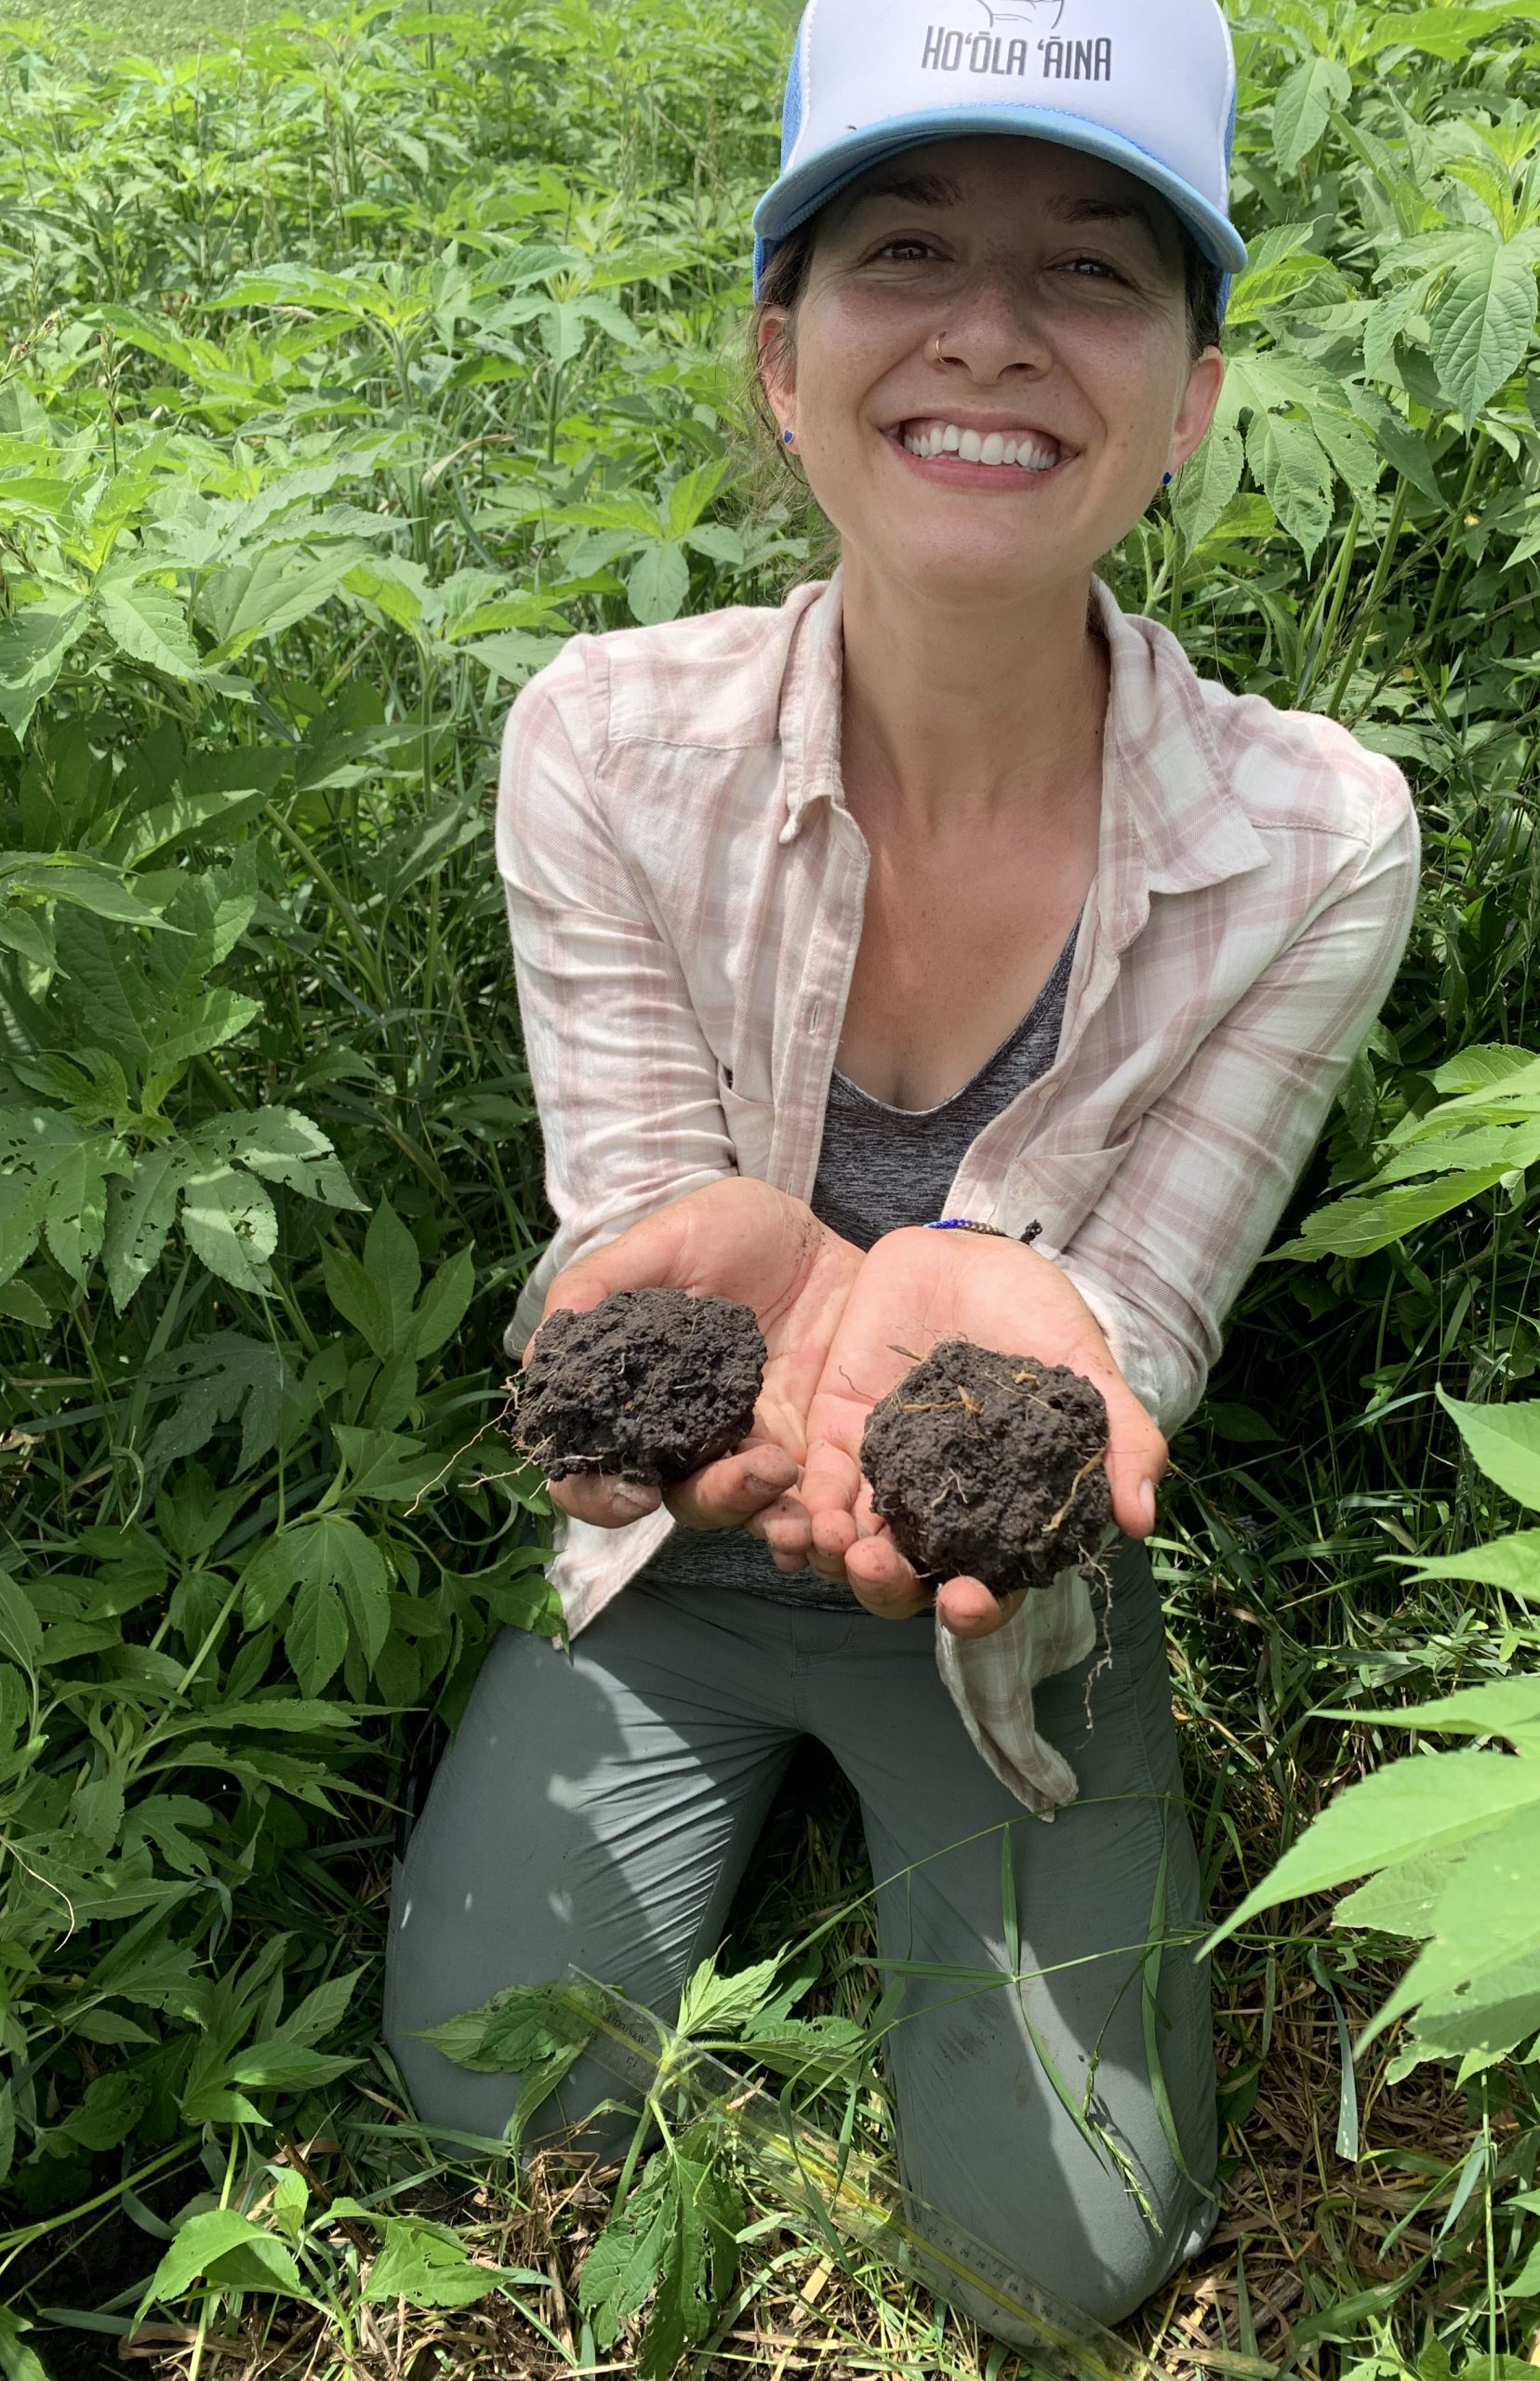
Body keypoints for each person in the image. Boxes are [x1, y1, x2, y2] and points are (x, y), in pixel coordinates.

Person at [383, 0, 1419, 2334]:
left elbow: (1137, 1315)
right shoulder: (606, 744)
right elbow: (632, 1243)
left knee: (1061, 2263)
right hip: (670, 1550)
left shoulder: (1314, 839)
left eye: (1092, 271)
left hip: (1008, 1591)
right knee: (482, 2116)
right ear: (782, 354)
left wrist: (1006, 1326)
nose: (988, 331)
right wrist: (671, 1294)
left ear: (1192, 390)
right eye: (907, 247)